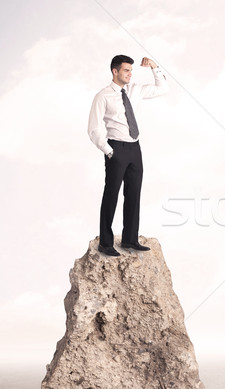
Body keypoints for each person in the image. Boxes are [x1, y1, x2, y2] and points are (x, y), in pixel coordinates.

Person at [88, 55, 169, 257]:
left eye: (131, 70)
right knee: (111, 195)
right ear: (115, 71)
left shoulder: (136, 90)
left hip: (135, 148)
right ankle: (105, 243)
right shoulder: (103, 96)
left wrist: (154, 66)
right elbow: (93, 128)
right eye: (126, 70)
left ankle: (130, 239)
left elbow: (163, 88)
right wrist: (109, 151)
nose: (130, 74)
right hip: (116, 148)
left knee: (133, 194)